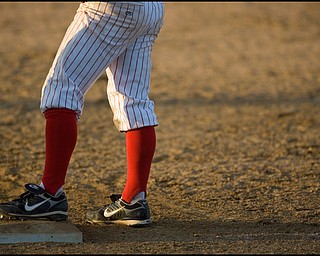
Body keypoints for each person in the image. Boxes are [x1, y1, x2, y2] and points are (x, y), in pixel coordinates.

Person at [0, 1, 164, 227]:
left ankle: (50, 194)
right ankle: (134, 200)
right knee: (133, 100)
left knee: (61, 89)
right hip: (151, 9)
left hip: (111, 8)